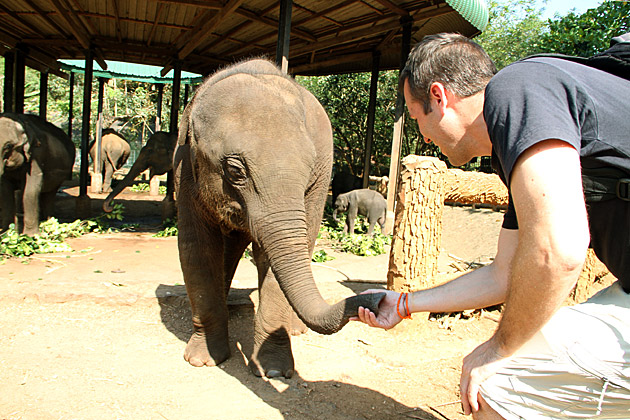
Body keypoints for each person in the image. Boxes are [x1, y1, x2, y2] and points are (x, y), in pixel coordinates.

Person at [353, 32, 630, 419]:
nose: (423, 135)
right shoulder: (521, 149)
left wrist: (498, 347)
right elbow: (505, 274)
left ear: (439, 97)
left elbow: (557, 252)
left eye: (416, 117)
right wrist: (403, 303)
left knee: (498, 383)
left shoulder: (516, 89)